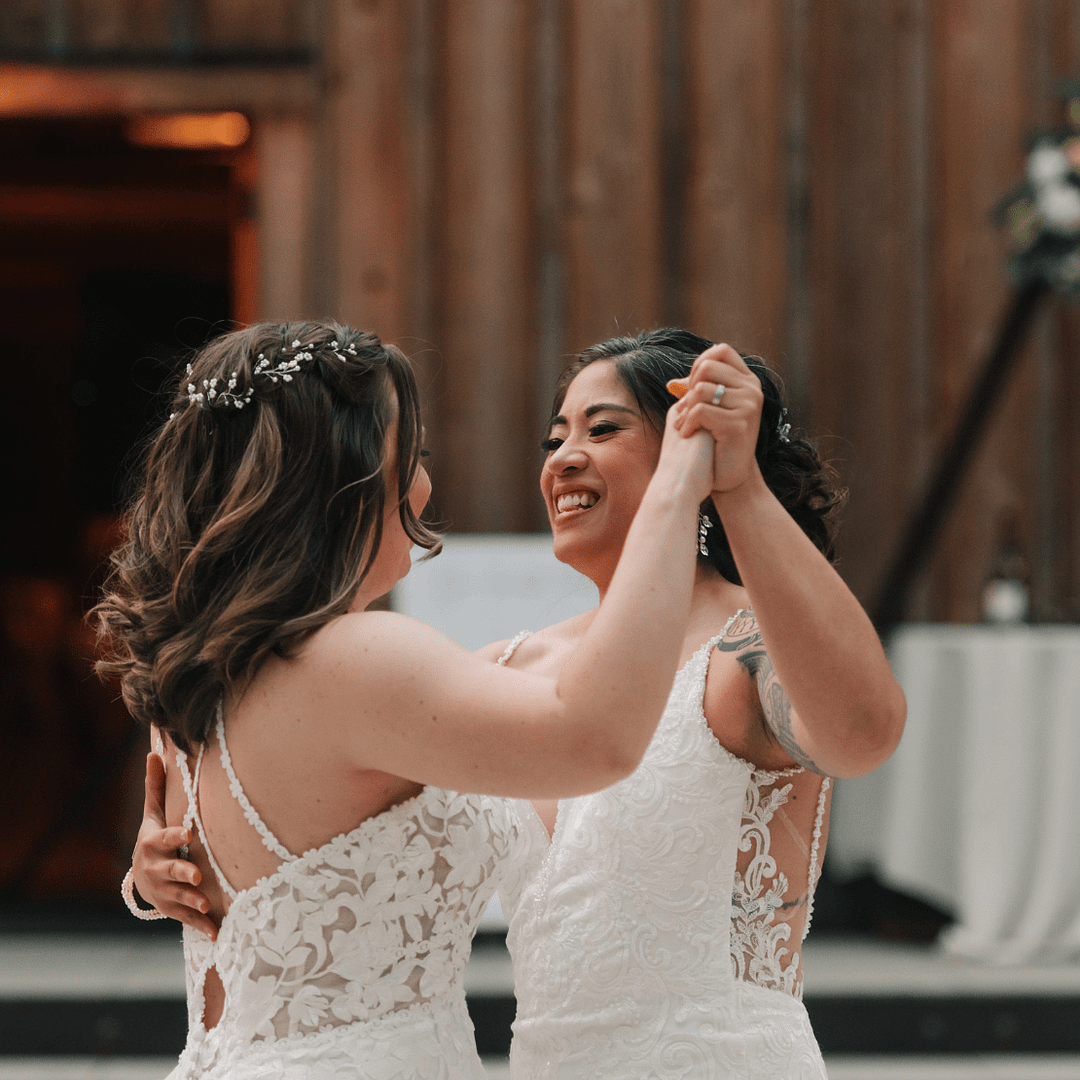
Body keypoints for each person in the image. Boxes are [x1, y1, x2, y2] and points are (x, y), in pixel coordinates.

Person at [132, 327, 906, 1078]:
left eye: (602, 429)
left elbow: (863, 733)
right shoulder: (503, 667)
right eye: (553, 438)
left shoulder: (747, 650)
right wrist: (169, 862)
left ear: (690, 448)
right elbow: (310, 804)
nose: (565, 457)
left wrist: (738, 489)